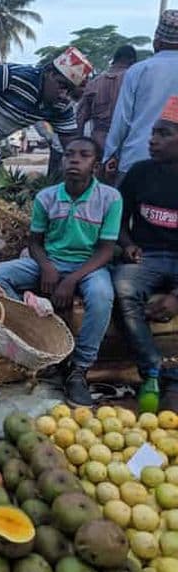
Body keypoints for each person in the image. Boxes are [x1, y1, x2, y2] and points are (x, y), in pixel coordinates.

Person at [0, 138, 122, 407]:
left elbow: (106, 250)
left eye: (84, 155)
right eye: (69, 154)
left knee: (103, 295)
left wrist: (70, 280)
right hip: (50, 261)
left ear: (96, 164)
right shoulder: (47, 197)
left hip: (89, 266)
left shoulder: (110, 198)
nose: (75, 160)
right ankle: (32, 337)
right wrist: (47, 267)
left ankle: (78, 368)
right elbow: (35, 242)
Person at [0, 47, 92, 190]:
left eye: (70, 91)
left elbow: (71, 144)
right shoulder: (13, 76)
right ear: (49, 74)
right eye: (62, 85)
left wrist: (86, 168)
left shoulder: (61, 106)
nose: (63, 95)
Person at [113, 96, 178, 393]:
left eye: (164, 134)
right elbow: (118, 223)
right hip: (147, 258)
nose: (152, 140)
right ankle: (152, 366)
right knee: (123, 288)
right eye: (153, 133)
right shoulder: (138, 172)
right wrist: (127, 245)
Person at [104, 10, 178, 184]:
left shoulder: (138, 70)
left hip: (136, 159)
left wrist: (110, 154)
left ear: (157, 42)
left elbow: (122, 119)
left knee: (127, 210)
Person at [76, 46, 137, 150]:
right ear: (132, 61)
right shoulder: (135, 80)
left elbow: (80, 119)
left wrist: (79, 146)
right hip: (128, 142)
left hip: (99, 143)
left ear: (115, 60)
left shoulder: (94, 83)